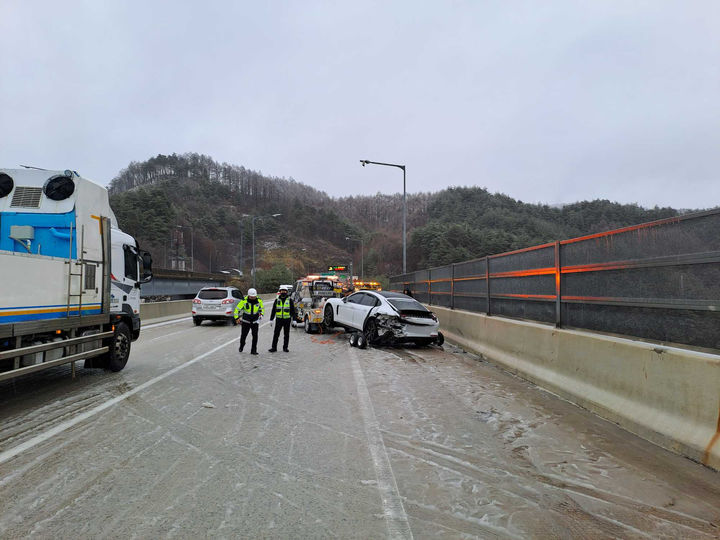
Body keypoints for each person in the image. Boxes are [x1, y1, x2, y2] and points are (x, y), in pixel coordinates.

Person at [234, 288, 264, 355]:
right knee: (243, 336)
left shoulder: (259, 301)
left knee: (255, 336)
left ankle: (253, 350)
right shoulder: (244, 301)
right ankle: (242, 345)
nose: (253, 298)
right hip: (246, 322)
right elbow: (237, 310)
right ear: (249, 295)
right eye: (251, 297)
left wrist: (261, 314)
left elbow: (262, 309)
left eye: (254, 297)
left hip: (255, 322)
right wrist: (236, 318)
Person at [268, 285, 296, 353]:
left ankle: (285, 348)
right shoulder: (277, 300)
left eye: (284, 291)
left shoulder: (290, 300)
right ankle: (274, 347)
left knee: (286, 334)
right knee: (276, 334)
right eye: (282, 291)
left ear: (286, 292)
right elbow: (273, 310)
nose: (283, 292)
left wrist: (294, 319)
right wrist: (271, 319)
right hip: (279, 319)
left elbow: (293, 310)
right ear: (280, 292)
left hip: (287, 319)